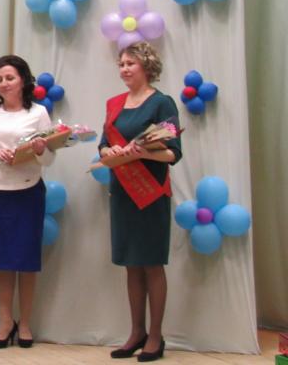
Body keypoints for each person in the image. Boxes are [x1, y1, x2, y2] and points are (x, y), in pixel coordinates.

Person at [98, 42, 181, 363]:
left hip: (150, 194)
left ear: (146, 65)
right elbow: (104, 145)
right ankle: (136, 332)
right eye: (121, 64)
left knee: (151, 263)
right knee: (131, 263)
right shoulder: (114, 104)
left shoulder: (162, 103)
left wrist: (143, 152)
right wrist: (109, 151)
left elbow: (173, 153)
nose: (124, 69)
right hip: (122, 192)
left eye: (130, 63)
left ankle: (156, 336)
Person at [0, 55, 53, 349]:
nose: (4, 83)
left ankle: (25, 323)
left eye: (10, 78)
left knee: (26, 261)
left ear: (23, 80)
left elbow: (50, 158)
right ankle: (5, 321)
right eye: (0, 79)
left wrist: (40, 149)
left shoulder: (39, 112)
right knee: (2, 261)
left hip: (29, 191)